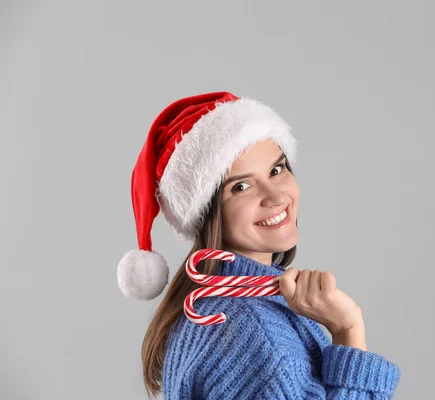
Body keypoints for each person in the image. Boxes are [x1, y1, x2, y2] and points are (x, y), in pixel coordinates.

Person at [116, 92, 401, 399]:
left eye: (276, 170)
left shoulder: (214, 304)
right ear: (206, 212)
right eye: (241, 186)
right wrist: (348, 330)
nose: (277, 196)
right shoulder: (256, 334)